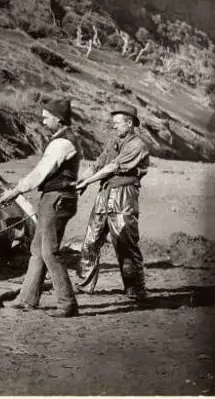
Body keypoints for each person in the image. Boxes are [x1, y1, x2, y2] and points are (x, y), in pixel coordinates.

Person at [0, 99, 82, 318]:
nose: (43, 121)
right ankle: (27, 299)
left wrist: (16, 191)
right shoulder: (62, 140)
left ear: (58, 118)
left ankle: (67, 304)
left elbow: (41, 172)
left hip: (57, 199)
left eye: (46, 117)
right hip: (54, 198)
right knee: (37, 249)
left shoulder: (62, 143)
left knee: (49, 252)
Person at [74, 103, 150, 301]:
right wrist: (80, 180)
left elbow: (113, 167)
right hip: (105, 193)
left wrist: (88, 182)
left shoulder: (137, 145)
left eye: (117, 123)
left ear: (129, 123)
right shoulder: (113, 143)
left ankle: (135, 288)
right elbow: (97, 164)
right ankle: (84, 285)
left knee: (125, 242)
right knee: (91, 240)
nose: (114, 126)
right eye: (113, 123)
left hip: (124, 196)